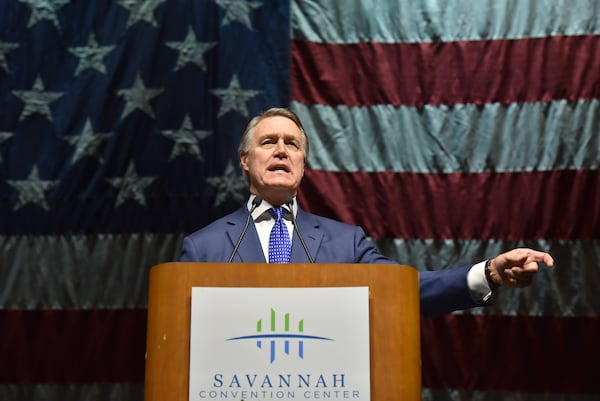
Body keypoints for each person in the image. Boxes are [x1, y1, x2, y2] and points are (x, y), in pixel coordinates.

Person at [180, 107, 554, 316]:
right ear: (245, 160)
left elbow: (405, 289)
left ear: (303, 163)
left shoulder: (345, 242)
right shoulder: (204, 247)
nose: (281, 150)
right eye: (268, 142)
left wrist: (486, 273)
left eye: (292, 144)